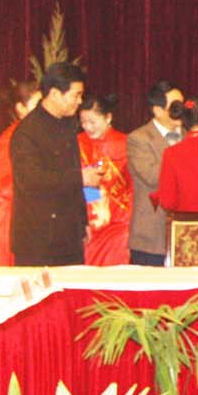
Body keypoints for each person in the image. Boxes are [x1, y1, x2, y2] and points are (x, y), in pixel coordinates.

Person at [10, 61, 98, 266]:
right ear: (55, 94)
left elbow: (73, 174)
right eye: (76, 95)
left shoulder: (68, 124)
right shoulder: (27, 133)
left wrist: (82, 221)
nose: (80, 101)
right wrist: (81, 177)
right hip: (38, 240)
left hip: (69, 236)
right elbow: (31, 180)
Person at [126, 80, 185, 266]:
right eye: (175, 106)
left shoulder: (190, 135)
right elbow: (152, 177)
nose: (181, 110)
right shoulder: (139, 138)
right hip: (152, 236)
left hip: (185, 233)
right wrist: (186, 161)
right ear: (158, 110)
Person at [78, 92, 133, 266]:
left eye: (92, 122)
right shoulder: (77, 143)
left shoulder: (127, 144)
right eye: (83, 122)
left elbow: (133, 187)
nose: (87, 127)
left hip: (119, 223)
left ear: (108, 118)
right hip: (86, 222)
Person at [0, 81, 40, 267]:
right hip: (17, 220)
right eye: (38, 105)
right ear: (21, 109)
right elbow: (9, 187)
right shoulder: (11, 139)